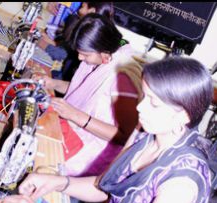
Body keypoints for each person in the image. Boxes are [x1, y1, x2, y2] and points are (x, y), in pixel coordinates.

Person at [0, 57, 214, 203]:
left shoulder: (182, 182)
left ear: (183, 115)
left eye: (154, 103)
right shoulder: (144, 133)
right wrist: (57, 182)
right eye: (144, 97)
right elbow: (104, 186)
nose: (140, 107)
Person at [35, 13, 143, 177]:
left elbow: (124, 136)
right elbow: (86, 90)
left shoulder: (123, 78)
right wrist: (52, 83)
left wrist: (75, 115)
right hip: (74, 137)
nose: (80, 58)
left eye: (85, 54)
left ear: (104, 54)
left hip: (90, 159)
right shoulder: (104, 60)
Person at [39, 2, 115, 81]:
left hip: (64, 78)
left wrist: (40, 41)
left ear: (92, 11)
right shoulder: (74, 20)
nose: (82, 2)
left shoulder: (90, 35)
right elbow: (64, 47)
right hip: (60, 73)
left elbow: (62, 54)